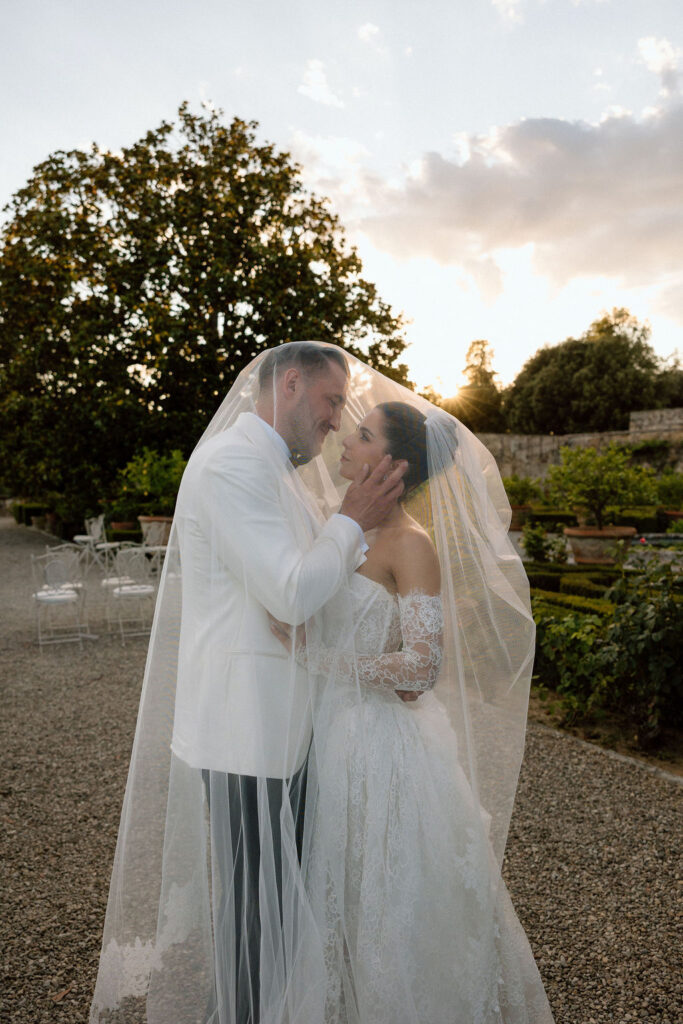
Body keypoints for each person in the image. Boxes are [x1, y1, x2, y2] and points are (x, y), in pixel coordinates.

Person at [90, 343, 551, 1024]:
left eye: (356, 423)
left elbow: (403, 656)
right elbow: (292, 591)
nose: (339, 422)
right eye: (336, 405)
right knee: (260, 913)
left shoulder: (314, 492)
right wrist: (351, 524)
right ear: (293, 383)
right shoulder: (238, 466)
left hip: (331, 734)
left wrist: (328, 650)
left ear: (394, 463)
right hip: (253, 728)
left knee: (325, 908)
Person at [271, 401, 555, 1022]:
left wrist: (315, 658)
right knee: (334, 889)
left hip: (381, 747)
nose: (346, 438)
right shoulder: (337, 525)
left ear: (395, 465)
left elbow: (422, 667)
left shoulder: (410, 544)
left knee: (389, 899)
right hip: (324, 733)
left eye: (364, 434)